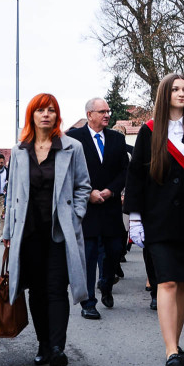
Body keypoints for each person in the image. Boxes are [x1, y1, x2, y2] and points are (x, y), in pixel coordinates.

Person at [2, 93, 91, 366]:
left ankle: (57, 348)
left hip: (59, 232)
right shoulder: (19, 151)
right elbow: (12, 193)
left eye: (51, 110)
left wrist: (75, 215)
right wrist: (7, 231)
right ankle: (42, 343)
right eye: (40, 110)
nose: (46, 115)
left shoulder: (71, 147)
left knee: (56, 289)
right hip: (27, 232)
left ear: (57, 116)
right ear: (32, 115)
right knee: (36, 291)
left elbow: (83, 186)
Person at [125, 73, 184, 366]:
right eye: (176, 89)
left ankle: (177, 340)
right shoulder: (149, 132)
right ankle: (171, 351)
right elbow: (136, 176)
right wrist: (134, 218)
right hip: (157, 220)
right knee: (167, 282)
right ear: (165, 94)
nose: (182, 94)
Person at [68, 98, 129, 319]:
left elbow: (124, 171)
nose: (107, 115)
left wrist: (111, 191)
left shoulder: (117, 139)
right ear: (89, 114)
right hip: (87, 208)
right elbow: (69, 172)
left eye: (108, 111)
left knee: (114, 250)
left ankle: (106, 283)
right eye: (102, 111)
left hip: (110, 206)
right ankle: (88, 303)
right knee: (89, 255)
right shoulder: (74, 139)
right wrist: (89, 192)